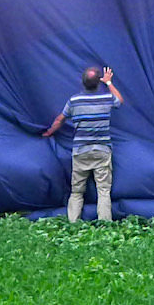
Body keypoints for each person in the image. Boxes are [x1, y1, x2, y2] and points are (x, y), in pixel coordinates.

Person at [41, 66, 123, 221]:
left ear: (82, 82)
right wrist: (109, 82)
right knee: (103, 190)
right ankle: (105, 224)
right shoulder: (106, 98)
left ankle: (73, 223)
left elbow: (60, 120)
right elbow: (120, 100)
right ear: (98, 82)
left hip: (81, 151)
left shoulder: (74, 101)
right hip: (102, 150)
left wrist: (49, 132)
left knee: (77, 192)